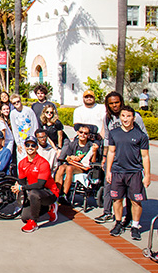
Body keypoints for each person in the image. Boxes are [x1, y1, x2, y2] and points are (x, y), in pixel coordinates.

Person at [94, 91, 147, 224]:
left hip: (131, 160)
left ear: (121, 102)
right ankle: (107, 212)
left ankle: (129, 218)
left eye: (116, 102)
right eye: (111, 103)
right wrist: (105, 157)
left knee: (131, 191)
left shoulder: (134, 117)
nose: (114, 105)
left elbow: (143, 137)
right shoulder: (108, 118)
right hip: (114, 159)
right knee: (108, 185)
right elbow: (106, 138)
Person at [106, 106, 151, 240]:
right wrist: (108, 171)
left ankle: (135, 226)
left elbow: (145, 157)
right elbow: (111, 152)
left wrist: (147, 175)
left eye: (128, 116)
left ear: (134, 118)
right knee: (117, 199)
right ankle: (118, 223)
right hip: (117, 172)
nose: (125, 119)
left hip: (134, 173)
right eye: (123, 116)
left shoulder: (141, 135)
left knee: (136, 201)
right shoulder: (114, 133)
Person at [13, 136, 60, 233]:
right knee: (24, 217)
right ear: (25, 147)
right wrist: (17, 187)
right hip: (34, 193)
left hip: (49, 192)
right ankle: (49, 208)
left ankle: (33, 222)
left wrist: (22, 187)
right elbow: (21, 182)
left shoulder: (43, 163)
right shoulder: (22, 163)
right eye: (28, 145)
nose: (30, 147)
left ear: (37, 147)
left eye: (33, 145)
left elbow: (40, 185)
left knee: (34, 194)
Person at [54, 123, 100, 204]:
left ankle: (65, 194)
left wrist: (94, 151)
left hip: (82, 168)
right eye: (81, 132)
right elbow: (67, 157)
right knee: (61, 167)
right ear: (77, 133)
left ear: (88, 135)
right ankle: (56, 193)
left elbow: (93, 161)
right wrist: (71, 157)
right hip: (72, 164)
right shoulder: (73, 144)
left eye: (85, 133)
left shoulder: (90, 145)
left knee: (69, 168)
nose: (83, 135)